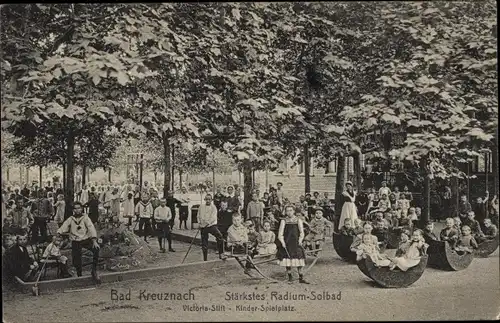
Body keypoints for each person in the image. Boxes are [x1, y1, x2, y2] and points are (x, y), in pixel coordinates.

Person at [56, 201, 100, 280]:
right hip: (75, 240)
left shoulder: (85, 218)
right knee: (76, 258)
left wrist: (94, 240)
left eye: (79, 208)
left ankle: (94, 270)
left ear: (82, 209)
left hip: (85, 239)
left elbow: (91, 228)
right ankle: (79, 274)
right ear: (73, 210)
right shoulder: (71, 219)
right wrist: (59, 232)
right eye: (75, 209)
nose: (77, 210)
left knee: (96, 249)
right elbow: (64, 226)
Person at [276, 205, 308, 284]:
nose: (289, 212)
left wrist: (300, 240)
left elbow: (301, 232)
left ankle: (301, 276)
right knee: (287, 259)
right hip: (287, 242)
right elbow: (280, 233)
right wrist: (282, 242)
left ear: (294, 211)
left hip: (296, 242)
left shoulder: (298, 220)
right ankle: (290, 276)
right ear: (285, 212)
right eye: (287, 211)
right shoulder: (284, 221)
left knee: (299, 257)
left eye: (291, 210)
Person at [198, 194, 226, 261]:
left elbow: (213, 218)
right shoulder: (201, 207)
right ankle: (205, 259)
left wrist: (206, 223)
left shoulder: (214, 207)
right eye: (206, 199)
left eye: (209, 199)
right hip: (203, 226)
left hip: (211, 226)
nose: (208, 201)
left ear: (211, 200)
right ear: (205, 199)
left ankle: (221, 253)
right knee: (204, 243)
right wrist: (200, 223)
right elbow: (198, 216)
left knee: (220, 237)